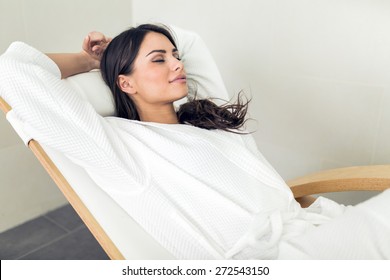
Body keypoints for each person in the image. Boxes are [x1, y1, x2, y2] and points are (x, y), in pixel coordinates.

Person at [0, 23, 389, 260]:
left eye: (174, 56)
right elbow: (14, 70)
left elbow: (191, 41)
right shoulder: (118, 146)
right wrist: (93, 61)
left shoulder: (206, 120)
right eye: (158, 59)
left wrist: (134, 49)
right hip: (273, 260)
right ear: (125, 82)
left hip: (315, 230)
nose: (178, 64)